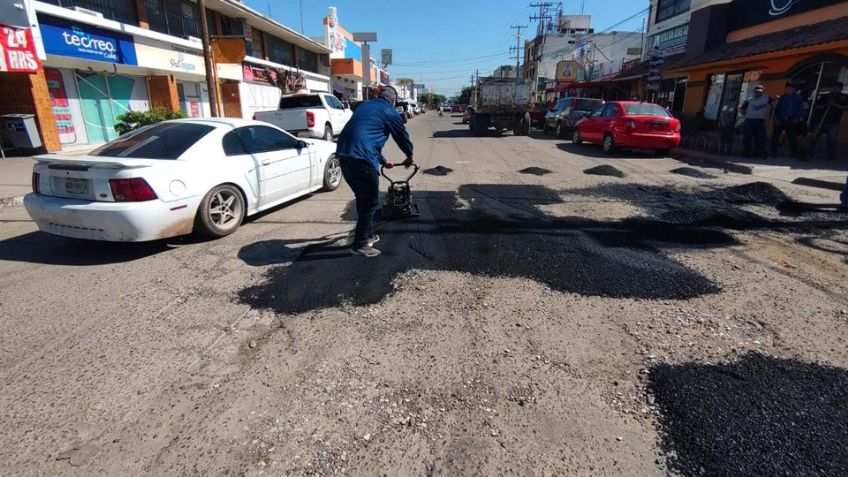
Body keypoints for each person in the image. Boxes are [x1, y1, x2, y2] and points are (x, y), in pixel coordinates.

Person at [336, 85, 414, 258]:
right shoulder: (390, 111)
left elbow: (364, 137)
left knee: (362, 198)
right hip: (362, 159)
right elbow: (401, 136)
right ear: (393, 100)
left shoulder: (365, 106)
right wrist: (409, 155)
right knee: (371, 201)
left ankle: (367, 234)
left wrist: (384, 162)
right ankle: (360, 244)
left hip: (343, 155)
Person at [813, 82, 848, 162]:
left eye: (838, 88)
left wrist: (835, 105)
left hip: (834, 121)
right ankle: (810, 154)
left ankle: (831, 157)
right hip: (821, 120)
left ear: (841, 89)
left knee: (831, 139)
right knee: (815, 137)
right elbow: (816, 106)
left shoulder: (844, 97)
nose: (835, 89)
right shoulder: (825, 96)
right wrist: (826, 105)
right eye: (834, 87)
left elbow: (846, 108)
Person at [771, 83, 805, 158]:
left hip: (791, 119)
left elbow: (800, 109)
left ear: (793, 89)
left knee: (791, 136)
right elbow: (774, 109)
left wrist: (798, 118)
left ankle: (794, 153)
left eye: (790, 88)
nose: (788, 90)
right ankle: (773, 151)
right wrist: (775, 118)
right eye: (787, 88)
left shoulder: (798, 98)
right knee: (775, 136)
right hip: (780, 119)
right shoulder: (781, 98)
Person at [740, 85, 773, 159]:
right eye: (756, 92)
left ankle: (757, 152)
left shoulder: (767, 98)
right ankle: (747, 152)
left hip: (760, 121)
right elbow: (742, 109)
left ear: (763, 92)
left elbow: (774, 102)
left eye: (759, 92)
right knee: (747, 137)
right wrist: (747, 115)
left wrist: (777, 98)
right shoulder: (749, 100)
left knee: (760, 137)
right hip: (749, 121)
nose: (757, 93)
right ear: (754, 92)